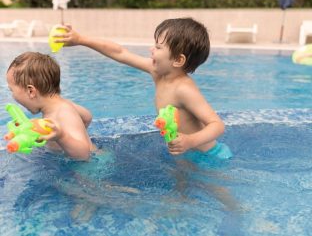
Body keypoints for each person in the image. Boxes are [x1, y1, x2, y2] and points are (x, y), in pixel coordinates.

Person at [58, 17, 232, 159]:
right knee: (181, 181)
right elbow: (120, 53)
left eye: (158, 47)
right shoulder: (157, 71)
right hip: (183, 150)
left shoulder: (184, 90)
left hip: (208, 155)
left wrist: (190, 141)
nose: (151, 49)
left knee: (220, 196)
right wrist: (81, 40)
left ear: (178, 60)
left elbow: (217, 125)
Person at [6, 52, 94, 160]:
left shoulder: (61, 114)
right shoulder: (64, 104)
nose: (12, 95)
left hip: (89, 172)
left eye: (12, 90)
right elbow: (87, 117)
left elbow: (84, 154)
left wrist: (62, 136)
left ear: (31, 91)